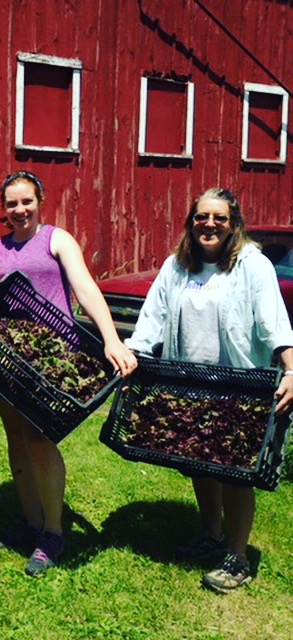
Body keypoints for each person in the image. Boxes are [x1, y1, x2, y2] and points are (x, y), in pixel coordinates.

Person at [125, 187, 293, 593]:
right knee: (200, 460)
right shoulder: (178, 265)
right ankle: (212, 534)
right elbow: (153, 315)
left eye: (219, 217)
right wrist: (134, 353)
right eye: (202, 216)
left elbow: (273, 321)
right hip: (190, 383)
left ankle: (238, 557)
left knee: (235, 473)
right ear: (192, 221)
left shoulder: (253, 266)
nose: (209, 224)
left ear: (234, 224)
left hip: (240, 384)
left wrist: (291, 367)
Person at [0, 170, 137, 576]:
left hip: (53, 359)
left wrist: (111, 339)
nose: (20, 209)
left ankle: (53, 533)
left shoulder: (57, 240)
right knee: (16, 439)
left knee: (39, 439)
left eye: (27, 201)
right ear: (4, 209)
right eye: (12, 203)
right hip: (8, 358)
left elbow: (85, 289)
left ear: (40, 202)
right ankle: (30, 522)